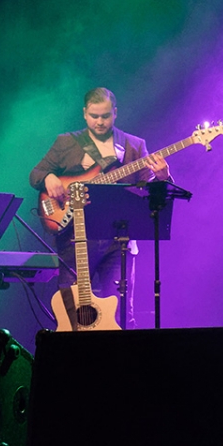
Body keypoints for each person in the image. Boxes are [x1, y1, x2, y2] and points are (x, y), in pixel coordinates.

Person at [30, 87, 170, 329]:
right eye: (94, 116)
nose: (100, 122)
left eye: (105, 116)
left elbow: (150, 193)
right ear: (84, 113)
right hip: (74, 239)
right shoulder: (67, 142)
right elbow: (36, 174)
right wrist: (48, 178)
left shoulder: (134, 146)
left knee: (120, 314)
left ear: (115, 112)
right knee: (72, 313)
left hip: (118, 241)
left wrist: (163, 176)